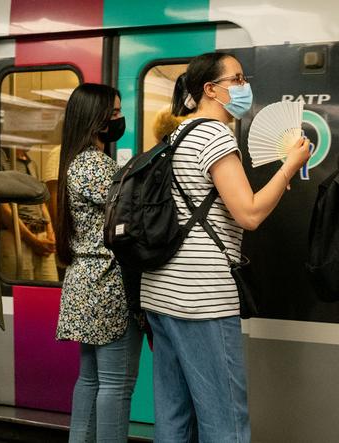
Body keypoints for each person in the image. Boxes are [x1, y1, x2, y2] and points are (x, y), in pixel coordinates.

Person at [139, 52, 311, 442]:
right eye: (236, 79)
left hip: (161, 294)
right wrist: (290, 163)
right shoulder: (215, 135)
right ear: (210, 89)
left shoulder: (178, 134)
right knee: (224, 417)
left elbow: (216, 206)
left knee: (174, 415)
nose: (244, 86)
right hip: (202, 300)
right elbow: (248, 214)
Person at [54, 84, 142, 442]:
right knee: (116, 385)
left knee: (90, 379)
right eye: (115, 112)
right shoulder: (96, 165)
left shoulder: (75, 161)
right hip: (107, 282)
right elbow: (135, 212)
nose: (119, 119)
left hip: (83, 281)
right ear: (96, 119)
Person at [0, 147, 57, 281]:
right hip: (17, 236)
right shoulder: (3, 160)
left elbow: (41, 201)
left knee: (50, 288)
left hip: (41, 234)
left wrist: (50, 232)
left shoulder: (32, 163)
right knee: (22, 290)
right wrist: (32, 240)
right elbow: (4, 209)